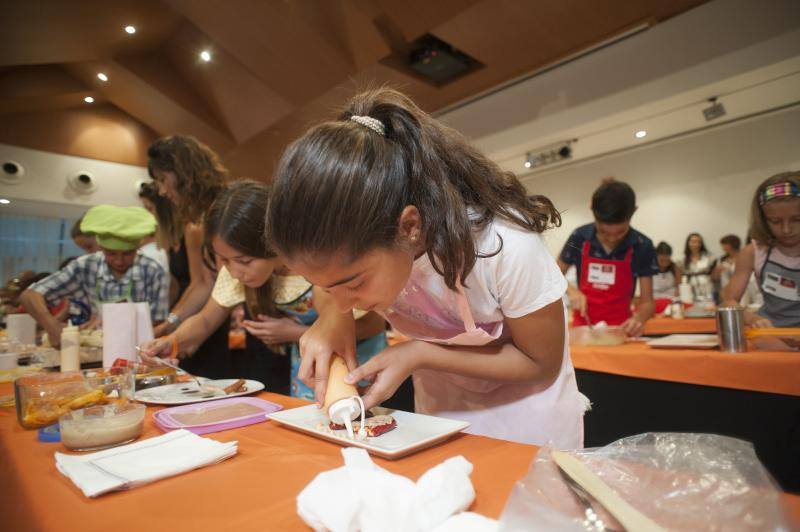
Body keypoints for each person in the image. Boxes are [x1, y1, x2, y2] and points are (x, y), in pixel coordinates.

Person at [265, 88, 588, 448]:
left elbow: (539, 361)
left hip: (529, 418)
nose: (344, 301)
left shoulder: (504, 244)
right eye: (324, 286)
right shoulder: (362, 259)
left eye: (353, 283)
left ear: (409, 228)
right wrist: (332, 320)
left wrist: (421, 353)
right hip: (442, 416)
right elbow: (333, 292)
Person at [141, 181, 397, 404]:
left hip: (363, 370)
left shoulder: (316, 269)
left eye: (243, 260)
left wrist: (297, 333)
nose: (234, 272)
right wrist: (171, 342)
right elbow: (206, 319)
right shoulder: (236, 272)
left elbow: (372, 324)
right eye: (224, 260)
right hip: (309, 374)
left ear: (271, 243)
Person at [20, 205, 168, 347]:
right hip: (97, 349)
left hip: (137, 347)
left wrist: (114, 329)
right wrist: (52, 326)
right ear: (101, 248)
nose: (119, 260)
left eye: (128, 254)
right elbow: (30, 295)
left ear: (137, 248)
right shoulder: (85, 266)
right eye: (111, 253)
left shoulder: (152, 271)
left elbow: (156, 322)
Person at [147, 135, 231, 378]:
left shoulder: (221, 213)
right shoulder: (195, 222)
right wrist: (172, 325)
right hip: (207, 317)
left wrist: (174, 326)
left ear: (185, 173)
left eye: (163, 180)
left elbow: (208, 284)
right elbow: (205, 283)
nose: (161, 191)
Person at [557, 180, 658, 336]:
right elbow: (554, 273)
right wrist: (571, 291)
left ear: (634, 211)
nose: (611, 239)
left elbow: (647, 303)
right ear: (591, 209)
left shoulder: (642, 245)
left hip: (620, 330)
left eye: (620, 232)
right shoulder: (580, 237)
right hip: (584, 328)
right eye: (604, 232)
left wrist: (639, 318)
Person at [723, 172, 800, 327]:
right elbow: (727, 301)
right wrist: (750, 319)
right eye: (775, 221)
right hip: (772, 334)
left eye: (797, 219)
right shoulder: (753, 253)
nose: (786, 230)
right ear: (762, 220)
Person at [683, 232, 716, 303]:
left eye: (699, 242)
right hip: (690, 287)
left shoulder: (709, 257)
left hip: (706, 286)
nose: (696, 244)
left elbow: (713, 274)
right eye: (693, 242)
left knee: (708, 308)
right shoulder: (682, 259)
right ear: (688, 243)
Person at [653, 241, 681, 314]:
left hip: (671, 302)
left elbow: (679, 288)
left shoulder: (675, 268)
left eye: (667, 261)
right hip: (654, 301)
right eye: (662, 261)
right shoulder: (649, 269)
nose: (665, 264)